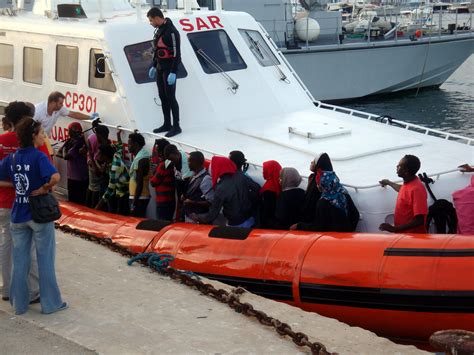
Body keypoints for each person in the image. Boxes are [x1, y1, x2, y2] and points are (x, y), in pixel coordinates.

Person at [0, 118, 66, 315]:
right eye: (41, 133)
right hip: (39, 215)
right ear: (33, 136)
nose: (43, 136)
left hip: (18, 214)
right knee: (45, 259)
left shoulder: (11, 159)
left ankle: (18, 305)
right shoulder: (39, 157)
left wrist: (17, 186)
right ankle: (51, 304)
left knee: (19, 262)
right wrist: (43, 188)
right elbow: (55, 177)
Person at [0, 103, 39, 304]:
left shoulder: (1, 141)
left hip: (3, 203)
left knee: (6, 245)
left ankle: (7, 289)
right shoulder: (34, 143)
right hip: (26, 204)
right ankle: (31, 291)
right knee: (29, 247)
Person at [190, 157, 255, 227]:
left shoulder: (221, 188)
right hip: (250, 219)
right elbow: (256, 188)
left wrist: (197, 217)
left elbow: (212, 215)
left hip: (235, 224)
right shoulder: (240, 175)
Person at [148, 7, 182, 138]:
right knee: (162, 96)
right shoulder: (159, 30)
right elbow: (157, 51)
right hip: (160, 68)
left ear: (157, 18)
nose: (150, 23)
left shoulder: (172, 32)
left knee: (171, 97)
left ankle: (177, 126)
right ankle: (167, 123)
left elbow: (177, 54)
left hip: (169, 69)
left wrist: (174, 72)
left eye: (151, 20)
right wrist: (154, 65)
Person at [292, 171, 359, 232]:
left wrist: (300, 225)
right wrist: (349, 229)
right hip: (347, 236)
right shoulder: (344, 194)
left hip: (332, 240)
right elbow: (355, 215)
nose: (317, 186)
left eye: (319, 184)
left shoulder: (323, 203)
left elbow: (319, 227)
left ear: (324, 186)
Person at [379, 155, 428, 233]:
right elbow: (403, 189)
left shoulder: (417, 189)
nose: (397, 166)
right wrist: (388, 182)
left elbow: (419, 220)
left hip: (412, 238)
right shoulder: (409, 183)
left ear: (406, 171)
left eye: (399, 166)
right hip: (403, 235)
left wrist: (394, 229)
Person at [58, 122, 88, 205]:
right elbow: (59, 153)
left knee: (76, 202)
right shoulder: (72, 141)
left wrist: (65, 149)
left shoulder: (79, 143)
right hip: (74, 176)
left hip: (77, 178)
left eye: (69, 130)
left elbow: (66, 156)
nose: (68, 133)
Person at [95, 144, 130, 215]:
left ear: (104, 156)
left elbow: (110, 189)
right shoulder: (115, 156)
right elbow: (120, 148)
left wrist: (97, 207)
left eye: (99, 154)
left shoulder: (114, 167)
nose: (97, 156)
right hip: (120, 191)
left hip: (123, 194)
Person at [182, 151, 214, 223]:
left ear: (195, 162)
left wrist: (192, 202)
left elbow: (211, 202)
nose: (188, 164)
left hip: (197, 219)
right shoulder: (193, 175)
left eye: (189, 161)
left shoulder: (206, 179)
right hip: (190, 216)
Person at [302, 153, 333, 223]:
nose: (311, 162)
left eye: (314, 161)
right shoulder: (316, 178)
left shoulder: (319, 181)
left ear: (319, 164)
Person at [150, 140, 176, 221]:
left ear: (162, 151)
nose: (156, 152)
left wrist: (152, 172)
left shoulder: (163, 165)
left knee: (162, 225)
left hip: (163, 202)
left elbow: (153, 182)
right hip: (170, 200)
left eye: (157, 150)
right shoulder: (170, 163)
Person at [85, 125, 109, 208]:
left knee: (93, 189)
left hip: (97, 169)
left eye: (97, 134)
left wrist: (92, 160)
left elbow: (98, 172)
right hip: (96, 168)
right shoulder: (107, 144)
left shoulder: (103, 146)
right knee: (93, 188)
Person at [128, 132, 151, 217]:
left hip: (139, 198)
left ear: (136, 144)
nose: (128, 146)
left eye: (130, 144)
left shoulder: (141, 160)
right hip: (139, 197)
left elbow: (139, 183)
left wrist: (134, 203)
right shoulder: (140, 156)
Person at [259, 160, 282, 228]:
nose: (263, 172)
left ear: (270, 171)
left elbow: (267, 212)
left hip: (268, 225)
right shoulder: (280, 183)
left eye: (265, 169)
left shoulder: (269, 188)